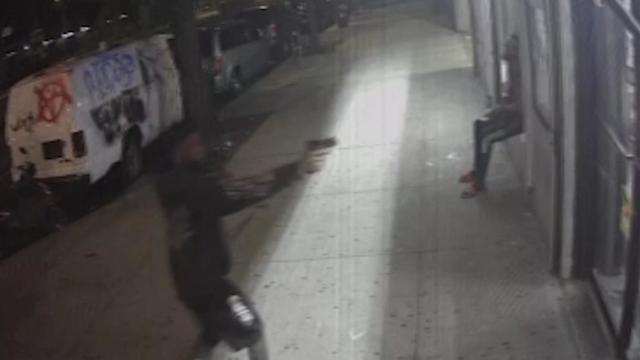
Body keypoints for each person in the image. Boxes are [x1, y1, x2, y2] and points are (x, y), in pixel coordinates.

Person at [155, 132, 331, 359]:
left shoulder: (181, 180)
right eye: (192, 144)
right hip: (205, 285)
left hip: (197, 282)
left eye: (200, 140)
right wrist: (296, 169)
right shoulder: (187, 187)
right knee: (250, 328)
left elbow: (216, 184)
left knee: (216, 334)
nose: (200, 146)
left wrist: (214, 168)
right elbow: (235, 192)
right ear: (177, 154)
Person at [460, 34, 522, 198]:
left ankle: (479, 184)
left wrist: (505, 108)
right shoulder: (510, 68)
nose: (505, 52)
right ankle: (476, 170)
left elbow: (522, 106)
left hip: (519, 119)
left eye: (509, 49)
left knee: (486, 139)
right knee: (479, 124)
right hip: (509, 111)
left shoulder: (522, 72)